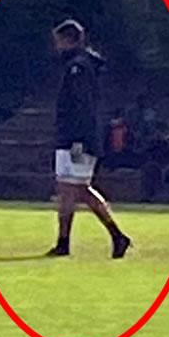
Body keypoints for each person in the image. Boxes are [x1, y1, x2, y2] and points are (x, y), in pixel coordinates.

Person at [46, 20, 131, 259]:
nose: (57, 46)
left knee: (69, 188)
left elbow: (82, 107)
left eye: (59, 41)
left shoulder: (79, 68)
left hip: (76, 139)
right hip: (73, 136)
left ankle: (66, 242)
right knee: (78, 190)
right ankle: (115, 236)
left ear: (68, 40)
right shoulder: (81, 65)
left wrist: (79, 139)